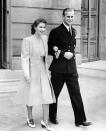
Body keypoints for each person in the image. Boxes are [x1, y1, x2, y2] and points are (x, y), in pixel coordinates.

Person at [48, 8, 91, 127]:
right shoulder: (55, 31)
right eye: (68, 16)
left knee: (76, 94)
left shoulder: (74, 31)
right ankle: (52, 117)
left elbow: (71, 48)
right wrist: (62, 54)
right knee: (54, 94)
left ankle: (80, 120)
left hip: (71, 69)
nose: (70, 19)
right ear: (63, 17)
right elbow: (50, 48)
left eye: (72, 17)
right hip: (58, 69)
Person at [21, 18, 55, 131]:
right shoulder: (27, 40)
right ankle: (30, 117)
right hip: (32, 70)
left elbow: (46, 56)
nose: (42, 29)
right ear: (35, 27)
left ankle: (45, 121)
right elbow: (24, 58)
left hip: (43, 70)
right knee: (31, 95)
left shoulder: (45, 38)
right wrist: (27, 74)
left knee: (46, 95)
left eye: (44, 27)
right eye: (40, 27)